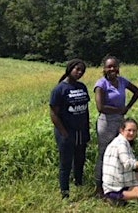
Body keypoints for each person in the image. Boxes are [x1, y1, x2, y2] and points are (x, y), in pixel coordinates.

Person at [94, 55, 138, 197]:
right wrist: (119, 110)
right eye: (109, 66)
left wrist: (127, 107)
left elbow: (137, 92)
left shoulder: (122, 81)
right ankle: (100, 187)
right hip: (106, 123)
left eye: (114, 66)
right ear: (104, 69)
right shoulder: (101, 84)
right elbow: (100, 107)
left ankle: (120, 183)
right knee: (104, 154)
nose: (112, 69)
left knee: (122, 152)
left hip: (120, 122)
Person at [49, 59, 90, 199]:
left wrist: (86, 128)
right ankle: (65, 193)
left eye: (82, 71)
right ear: (70, 69)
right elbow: (53, 113)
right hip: (66, 132)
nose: (79, 73)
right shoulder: (59, 89)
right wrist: (64, 133)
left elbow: (86, 109)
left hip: (81, 131)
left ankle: (79, 184)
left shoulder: (82, 87)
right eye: (77, 69)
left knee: (80, 159)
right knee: (65, 163)